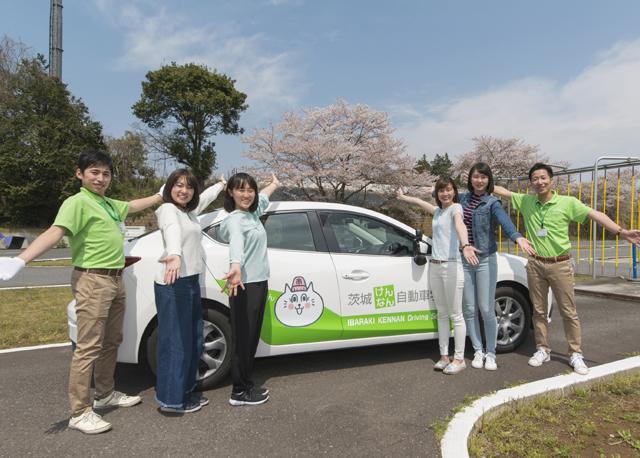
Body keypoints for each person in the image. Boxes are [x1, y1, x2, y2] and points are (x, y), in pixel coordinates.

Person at [0, 150, 163, 434]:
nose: (100, 178)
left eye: (106, 174)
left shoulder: (107, 203)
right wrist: (21, 259)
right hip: (93, 280)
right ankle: (79, 412)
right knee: (88, 347)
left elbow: (133, 205)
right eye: (94, 173)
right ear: (80, 174)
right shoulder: (77, 202)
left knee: (112, 341)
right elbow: (55, 231)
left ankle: (105, 394)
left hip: (115, 279)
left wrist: (160, 196)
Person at [493, 162, 640, 375]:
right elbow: (503, 191)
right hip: (535, 264)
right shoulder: (526, 201)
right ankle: (543, 349)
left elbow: (594, 214)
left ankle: (575, 353)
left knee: (568, 311)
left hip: (560, 264)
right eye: (535, 178)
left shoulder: (567, 202)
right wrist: (480, 179)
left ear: (551, 181)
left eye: (543, 177)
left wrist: (620, 231)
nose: (539, 182)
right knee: (539, 311)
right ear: (531, 182)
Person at [153, 169, 226, 414]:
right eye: (178, 185)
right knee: (176, 342)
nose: (184, 190)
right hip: (174, 282)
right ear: (169, 187)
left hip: (189, 281)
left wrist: (220, 186)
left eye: (189, 187)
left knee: (192, 338)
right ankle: (171, 401)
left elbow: (203, 200)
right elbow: (172, 230)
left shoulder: (187, 212)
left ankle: (184, 391)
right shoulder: (168, 210)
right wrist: (174, 253)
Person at [397, 177, 479, 375]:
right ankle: (444, 356)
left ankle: (459, 359)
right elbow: (419, 202)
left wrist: (465, 245)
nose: (445, 194)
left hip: (452, 265)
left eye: (449, 190)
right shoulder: (437, 212)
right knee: (442, 314)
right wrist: (403, 197)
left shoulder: (455, 209)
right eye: (441, 191)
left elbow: (460, 225)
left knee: (456, 315)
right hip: (435, 266)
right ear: (437, 193)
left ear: (454, 191)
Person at [459, 162, 535, 371]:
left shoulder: (492, 202)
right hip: (464, 259)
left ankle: (491, 352)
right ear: (471, 178)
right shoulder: (462, 199)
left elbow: (505, 222)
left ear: (489, 179)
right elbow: (440, 196)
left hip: (484, 259)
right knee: (469, 308)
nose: (479, 180)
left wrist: (517, 237)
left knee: (485, 307)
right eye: (476, 176)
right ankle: (477, 350)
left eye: (484, 177)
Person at [220, 172, 279, 405]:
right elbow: (236, 241)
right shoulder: (236, 219)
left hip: (258, 282)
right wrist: (235, 265)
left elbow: (263, 198)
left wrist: (273, 184)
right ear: (231, 192)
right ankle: (239, 391)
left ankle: (246, 384)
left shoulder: (252, 214)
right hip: (245, 284)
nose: (247, 194)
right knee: (243, 339)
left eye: (250, 190)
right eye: (240, 189)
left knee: (251, 336)